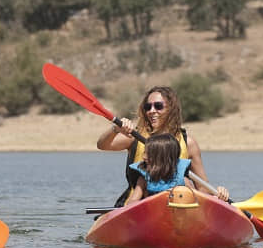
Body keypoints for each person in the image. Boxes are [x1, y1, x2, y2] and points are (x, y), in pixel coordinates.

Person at [96, 85, 228, 205]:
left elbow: (202, 188)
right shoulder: (134, 137)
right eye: (148, 107)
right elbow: (102, 145)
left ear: (170, 108)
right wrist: (115, 129)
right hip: (137, 207)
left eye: (158, 106)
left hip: (178, 206)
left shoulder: (188, 143)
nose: (152, 111)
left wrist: (218, 194)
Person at [123, 133, 196, 205]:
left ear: (164, 158)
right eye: (144, 152)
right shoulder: (143, 179)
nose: (144, 157)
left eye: (149, 154)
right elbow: (132, 201)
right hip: (152, 213)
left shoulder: (183, 179)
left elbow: (197, 198)